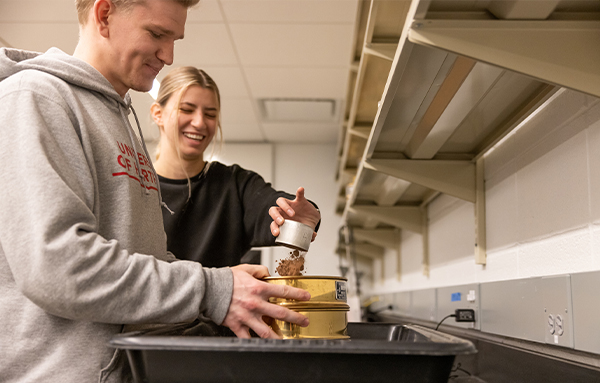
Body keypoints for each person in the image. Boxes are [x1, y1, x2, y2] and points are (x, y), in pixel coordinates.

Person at [0, 1, 310, 382]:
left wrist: (228, 290)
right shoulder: (36, 98)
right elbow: (59, 267)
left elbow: (144, 260)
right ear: (104, 14)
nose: (168, 55)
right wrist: (213, 290)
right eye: (157, 34)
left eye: (174, 38)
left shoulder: (120, 122)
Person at [150, 66, 322, 267]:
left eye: (211, 114)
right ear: (158, 114)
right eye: (186, 110)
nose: (199, 122)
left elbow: (271, 206)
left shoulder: (235, 185)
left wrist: (295, 218)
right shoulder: (135, 183)